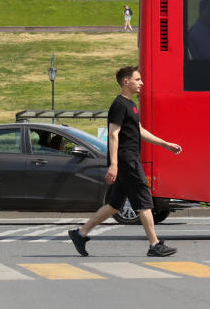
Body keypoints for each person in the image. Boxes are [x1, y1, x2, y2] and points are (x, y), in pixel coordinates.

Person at [68, 65, 182, 258]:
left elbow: (139, 130)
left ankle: (80, 233)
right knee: (145, 201)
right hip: (126, 160)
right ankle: (154, 244)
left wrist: (165, 144)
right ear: (126, 82)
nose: (142, 83)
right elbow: (113, 135)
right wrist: (114, 164)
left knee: (114, 205)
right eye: (138, 79)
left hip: (127, 160)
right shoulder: (119, 105)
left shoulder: (130, 105)